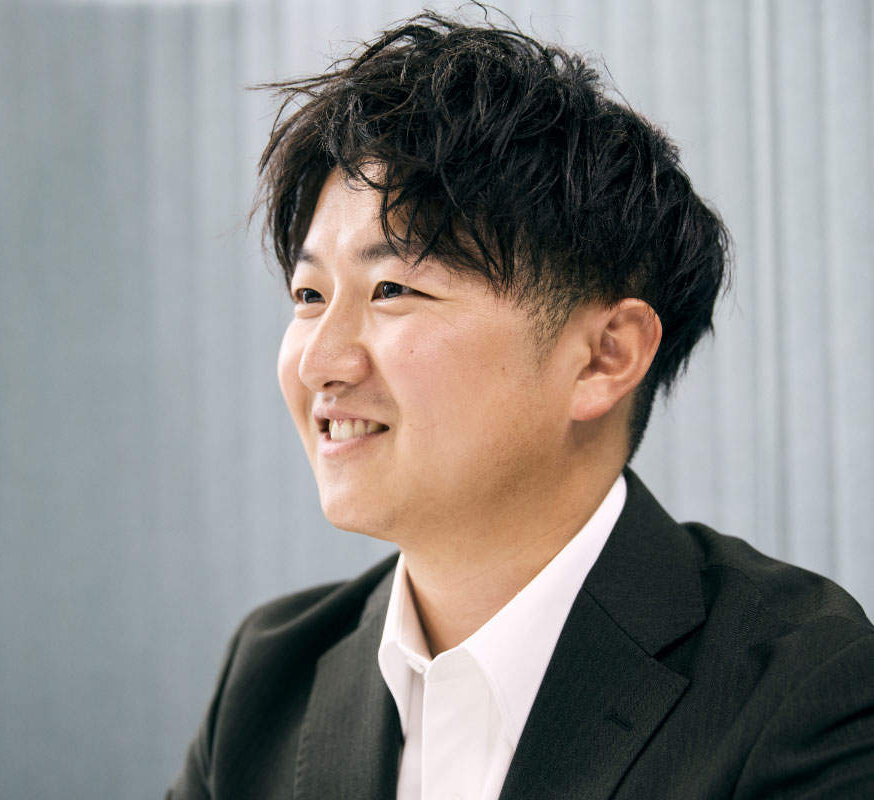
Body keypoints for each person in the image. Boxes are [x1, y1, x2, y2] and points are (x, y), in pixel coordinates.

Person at [167, 10, 874, 799]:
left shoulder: (802, 687)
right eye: (309, 295)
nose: (319, 361)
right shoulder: (269, 680)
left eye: (392, 289)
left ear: (604, 356)